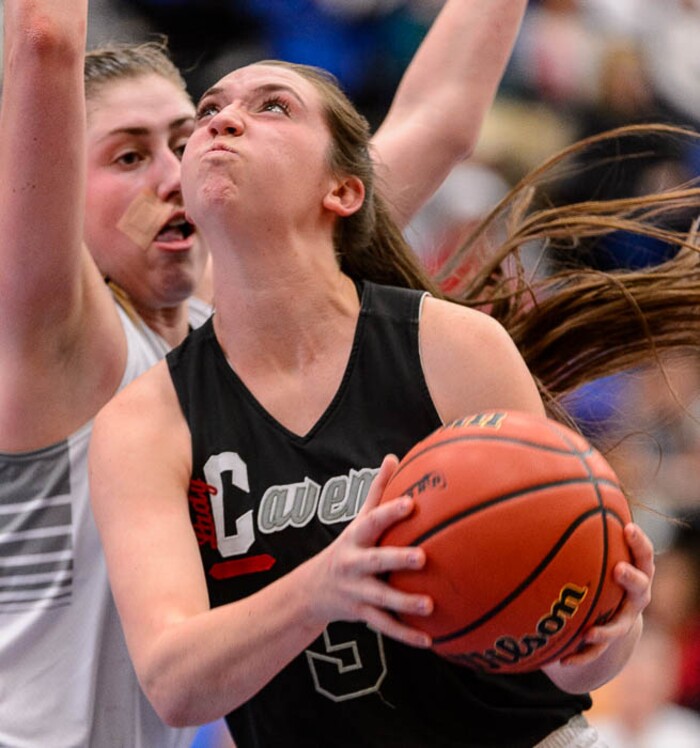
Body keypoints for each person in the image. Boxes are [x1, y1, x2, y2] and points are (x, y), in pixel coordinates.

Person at [88, 58, 662, 748]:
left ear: (344, 190)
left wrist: (607, 630)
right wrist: (326, 584)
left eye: (272, 106)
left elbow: (565, 668)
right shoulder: (146, 419)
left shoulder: (451, 346)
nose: (222, 119)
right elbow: (174, 684)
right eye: (209, 110)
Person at [0, 0, 532, 744]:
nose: (173, 174)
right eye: (128, 156)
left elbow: (438, 118)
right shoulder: (57, 339)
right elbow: (47, 38)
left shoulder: (233, 327)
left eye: (182, 141)